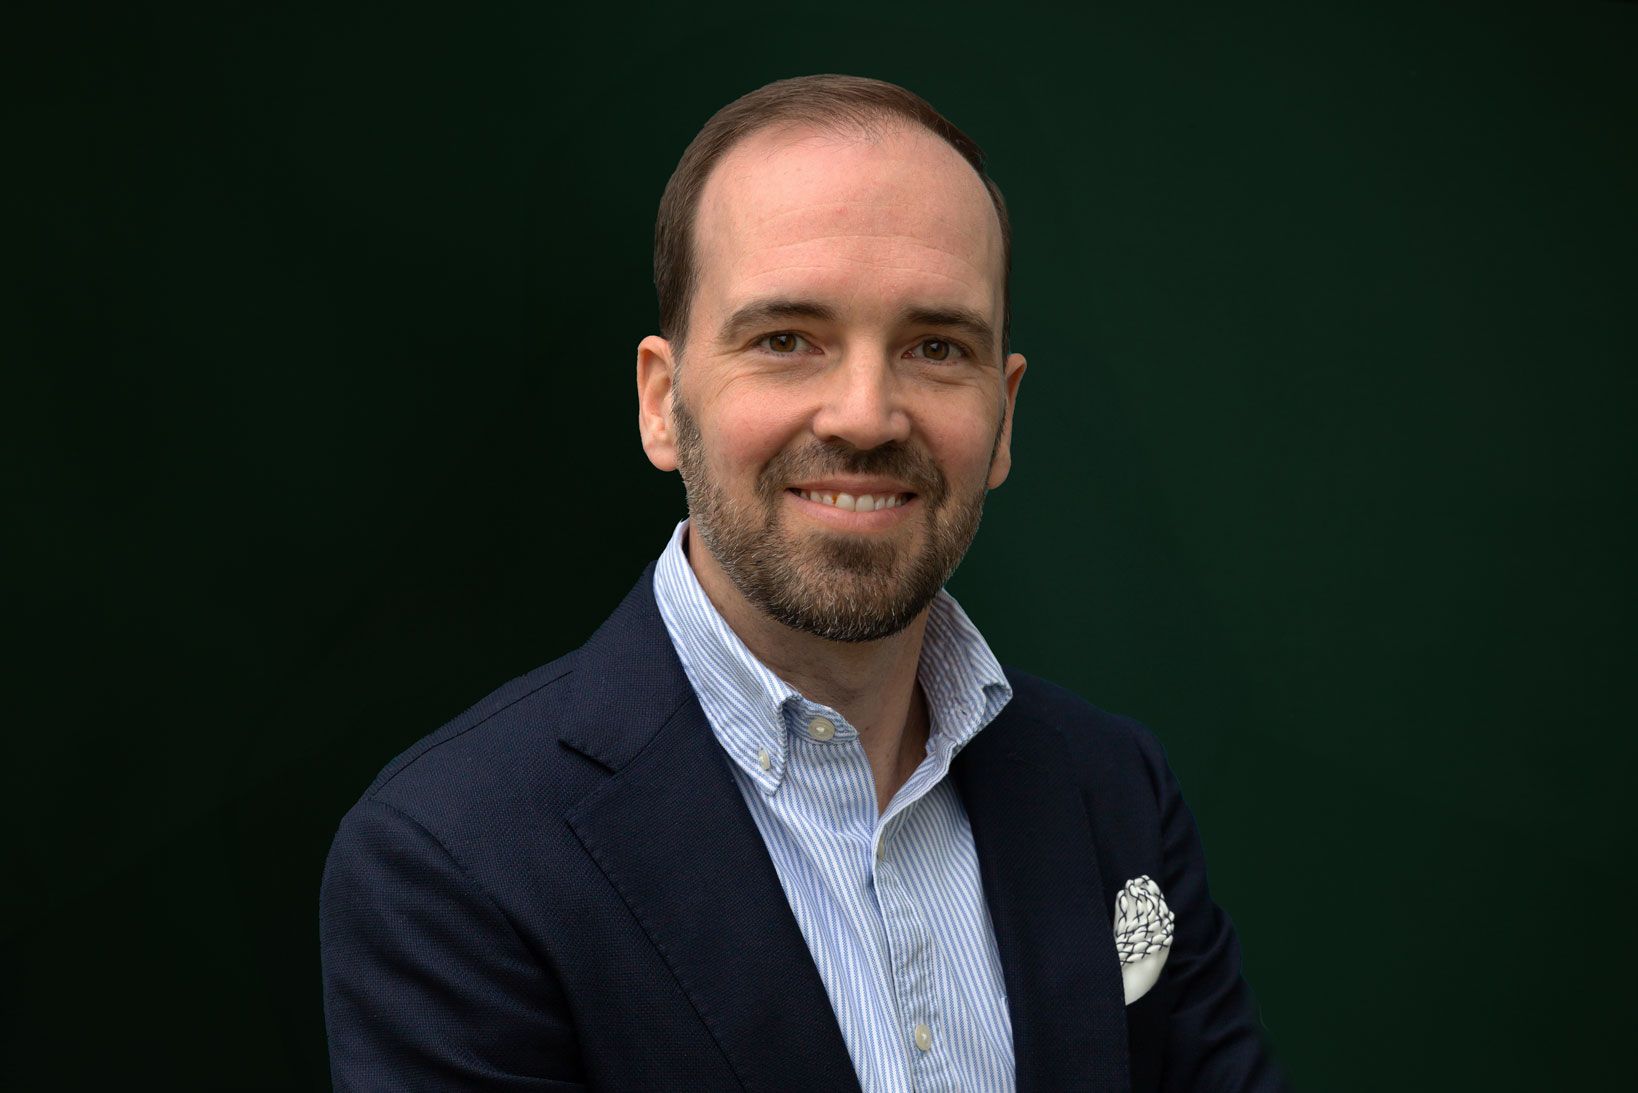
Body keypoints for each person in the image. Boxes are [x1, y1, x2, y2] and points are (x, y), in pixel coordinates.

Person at [320, 74, 1287, 1092]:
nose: (866, 415)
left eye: (935, 347)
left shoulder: (1112, 790)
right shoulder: (455, 857)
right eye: (786, 340)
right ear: (662, 401)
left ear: (1003, 416)